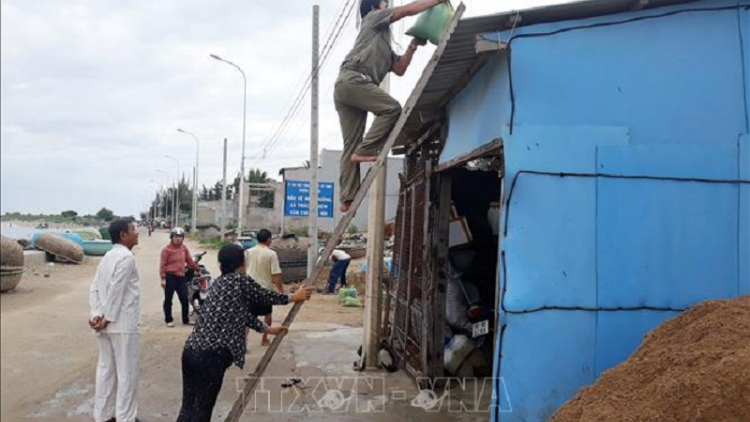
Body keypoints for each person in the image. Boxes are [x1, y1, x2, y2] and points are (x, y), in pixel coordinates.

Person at [176, 244, 313, 422]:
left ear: (220, 265)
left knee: (188, 408)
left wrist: (267, 329)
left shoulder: (219, 284)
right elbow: (265, 296)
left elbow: (240, 314)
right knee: (202, 410)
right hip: (211, 356)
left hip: (190, 352)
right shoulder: (240, 281)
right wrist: (293, 297)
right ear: (242, 263)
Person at [334, 0, 447, 212]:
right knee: (392, 108)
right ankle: (365, 150)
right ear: (379, 6)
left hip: (348, 87)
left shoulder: (383, 43)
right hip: (354, 80)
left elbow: (400, 68)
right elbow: (408, 10)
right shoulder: (373, 18)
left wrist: (413, 46)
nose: (389, 5)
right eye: (386, 2)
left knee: (351, 145)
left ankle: (347, 199)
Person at [88, 219, 144, 422]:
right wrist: (108, 318)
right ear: (123, 235)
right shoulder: (126, 258)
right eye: (133, 230)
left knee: (106, 371)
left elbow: (94, 288)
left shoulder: (107, 257)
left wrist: (96, 315)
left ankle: (103, 416)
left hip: (105, 324)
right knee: (127, 373)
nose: (137, 232)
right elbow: (116, 290)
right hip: (122, 324)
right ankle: (126, 417)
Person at [244, 228, 283, 346]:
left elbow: (243, 269)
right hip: (265, 289)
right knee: (267, 314)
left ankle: (244, 342)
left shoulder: (248, 252)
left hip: (249, 289)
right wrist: (280, 291)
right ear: (268, 239)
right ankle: (264, 339)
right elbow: (276, 275)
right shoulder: (271, 254)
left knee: (248, 317)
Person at [159, 227, 200, 327]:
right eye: (176, 236)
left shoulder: (183, 248)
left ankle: (185, 320)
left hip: (181, 277)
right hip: (170, 277)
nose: (178, 239)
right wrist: (163, 278)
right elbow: (162, 265)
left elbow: (189, 261)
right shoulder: (166, 250)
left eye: (180, 237)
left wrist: (197, 269)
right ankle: (169, 319)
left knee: (184, 299)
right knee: (168, 299)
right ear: (171, 237)